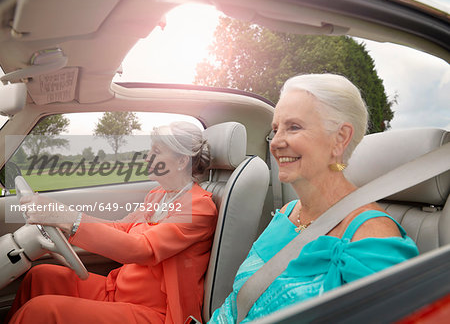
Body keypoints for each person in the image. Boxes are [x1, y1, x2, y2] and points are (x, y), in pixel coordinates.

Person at [209, 74, 419, 323]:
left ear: (340, 138)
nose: (275, 142)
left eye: (294, 127)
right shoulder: (287, 213)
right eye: (275, 130)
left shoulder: (372, 238)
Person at [7, 121, 218, 324]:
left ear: (182, 161)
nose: (147, 158)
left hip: (155, 312)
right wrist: (64, 221)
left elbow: (142, 249)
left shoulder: (199, 208)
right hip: (116, 290)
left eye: (156, 151)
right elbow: (120, 228)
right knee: (39, 276)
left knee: (40, 311)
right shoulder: (157, 195)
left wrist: (67, 218)